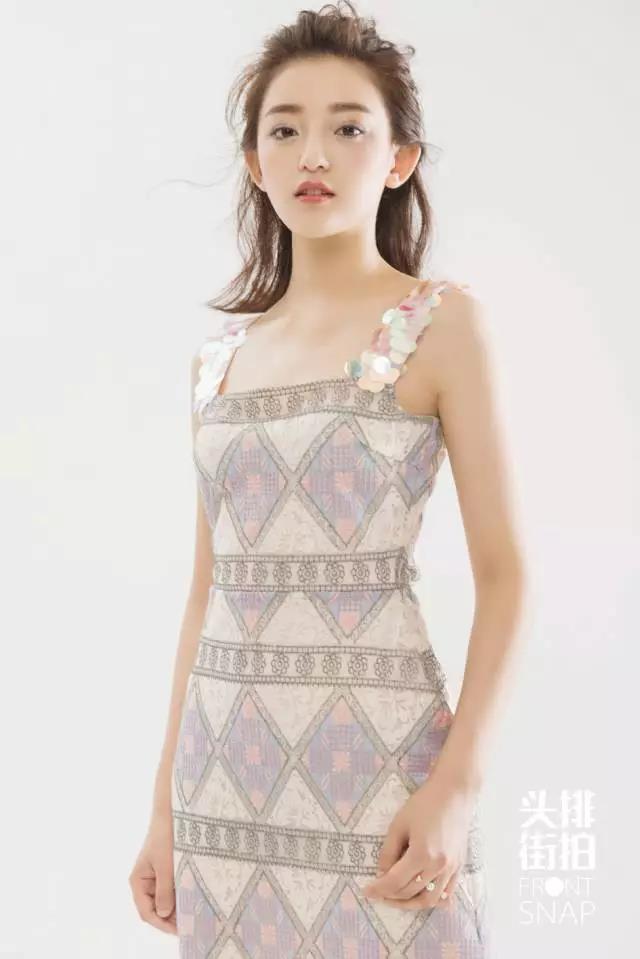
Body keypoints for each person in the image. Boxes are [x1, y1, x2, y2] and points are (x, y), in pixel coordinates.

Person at [129, 2, 527, 955]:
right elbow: (209, 592)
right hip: (223, 785)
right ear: (255, 163)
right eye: (285, 130)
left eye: (349, 128)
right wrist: (165, 810)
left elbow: (506, 575)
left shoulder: (441, 323)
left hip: (383, 772)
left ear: (398, 159)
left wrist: (456, 786)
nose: (313, 153)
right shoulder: (218, 361)